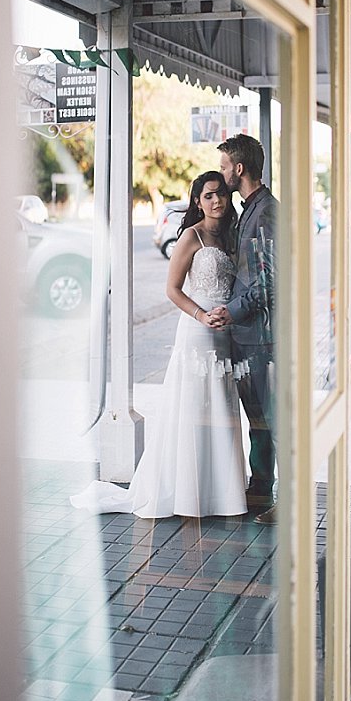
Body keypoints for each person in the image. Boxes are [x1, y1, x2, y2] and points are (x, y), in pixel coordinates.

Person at [70, 171, 247, 518]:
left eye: (221, 194)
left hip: (226, 333)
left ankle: (221, 494)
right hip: (197, 331)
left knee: (221, 407)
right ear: (197, 202)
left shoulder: (231, 235)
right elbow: (172, 290)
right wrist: (201, 315)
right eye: (209, 196)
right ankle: (186, 492)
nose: (217, 201)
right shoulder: (192, 236)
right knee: (193, 406)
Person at [211, 134, 279, 524]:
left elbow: (269, 281)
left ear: (239, 168)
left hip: (262, 338)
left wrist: (232, 311)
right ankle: (260, 490)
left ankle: (284, 501)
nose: (222, 174)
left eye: (224, 167)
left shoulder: (266, 212)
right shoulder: (248, 210)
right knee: (259, 420)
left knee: (272, 420)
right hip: (247, 336)